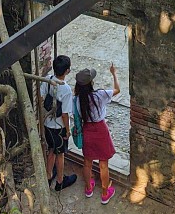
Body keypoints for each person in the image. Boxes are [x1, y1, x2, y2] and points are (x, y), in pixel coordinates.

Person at [74, 63, 120, 204]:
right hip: (100, 130)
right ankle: (105, 193)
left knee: (87, 162)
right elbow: (117, 90)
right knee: (103, 164)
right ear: (91, 83)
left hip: (87, 130)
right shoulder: (99, 95)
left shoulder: (76, 99)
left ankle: (88, 188)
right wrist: (114, 73)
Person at [41, 55, 77, 191]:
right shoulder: (66, 89)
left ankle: (49, 175)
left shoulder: (48, 79)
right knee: (60, 153)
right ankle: (60, 181)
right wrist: (67, 130)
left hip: (47, 124)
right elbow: (65, 113)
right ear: (67, 71)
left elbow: (41, 97)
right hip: (58, 127)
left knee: (51, 150)